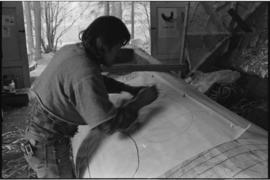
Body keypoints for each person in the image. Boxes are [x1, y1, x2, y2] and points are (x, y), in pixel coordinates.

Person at [22, 16, 158, 178]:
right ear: (102, 44)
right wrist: (139, 103)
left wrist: (128, 89)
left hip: (39, 138)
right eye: (116, 48)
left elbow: (96, 80)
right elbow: (107, 125)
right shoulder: (85, 73)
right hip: (48, 147)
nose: (116, 55)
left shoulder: (72, 51)